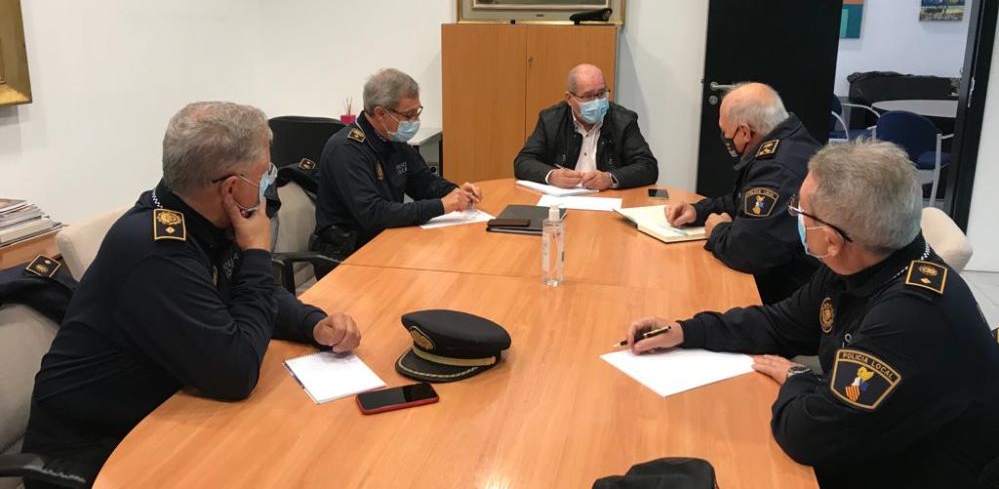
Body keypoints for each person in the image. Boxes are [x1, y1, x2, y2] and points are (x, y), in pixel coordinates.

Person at [22, 102, 362, 488]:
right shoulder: (157, 251)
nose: (270, 182)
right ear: (231, 188)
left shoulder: (199, 217)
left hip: (169, 411)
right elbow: (235, 373)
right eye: (265, 173)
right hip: (94, 456)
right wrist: (256, 251)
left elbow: (246, 289)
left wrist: (312, 324)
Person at [625, 140, 999, 489]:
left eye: (800, 211)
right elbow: (780, 323)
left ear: (831, 239)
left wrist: (798, 377)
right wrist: (685, 331)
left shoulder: (908, 317)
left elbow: (806, 435)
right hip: (874, 437)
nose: (794, 217)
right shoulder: (862, 259)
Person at [667, 82, 819, 304]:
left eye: (725, 131)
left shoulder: (777, 170)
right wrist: (698, 211)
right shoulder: (788, 139)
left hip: (789, 293)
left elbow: (749, 252)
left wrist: (717, 230)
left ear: (745, 132)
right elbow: (743, 200)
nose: (724, 137)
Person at [313, 68, 481, 264]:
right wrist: (441, 205)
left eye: (417, 112)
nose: (415, 121)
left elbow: (424, 182)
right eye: (409, 115)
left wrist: (457, 193)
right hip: (348, 254)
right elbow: (373, 214)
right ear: (381, 113)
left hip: (386, 240)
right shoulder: (346, 150)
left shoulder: (392, 139)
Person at [513, 63, 658, 190]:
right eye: (588, 96)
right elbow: (523, 161)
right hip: (561, 201)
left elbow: (648, 167)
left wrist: (609, 178)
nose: (597, 101)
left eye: (601, 93)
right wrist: (552, 176)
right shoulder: (551, 120)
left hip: (608, 200)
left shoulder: (623, 120)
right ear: (569, 98)